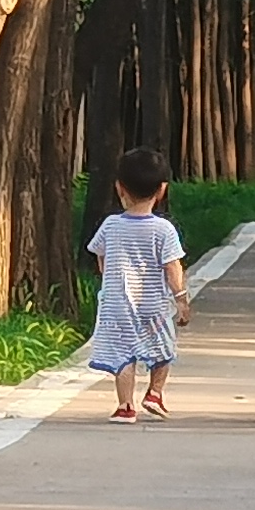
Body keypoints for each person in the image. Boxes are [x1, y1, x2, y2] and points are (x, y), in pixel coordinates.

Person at [84, 153, 189, 419]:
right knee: (163, 350)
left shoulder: (110, 225)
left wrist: (110, 279)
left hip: (117, 306)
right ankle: (154, 392)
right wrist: (181, 298)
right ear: (162, 189)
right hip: (152, 306)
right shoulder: (164, 230)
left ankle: (125, 405)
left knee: (123, 355)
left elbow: (101, 257)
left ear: (119, 187)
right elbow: (173, 267)